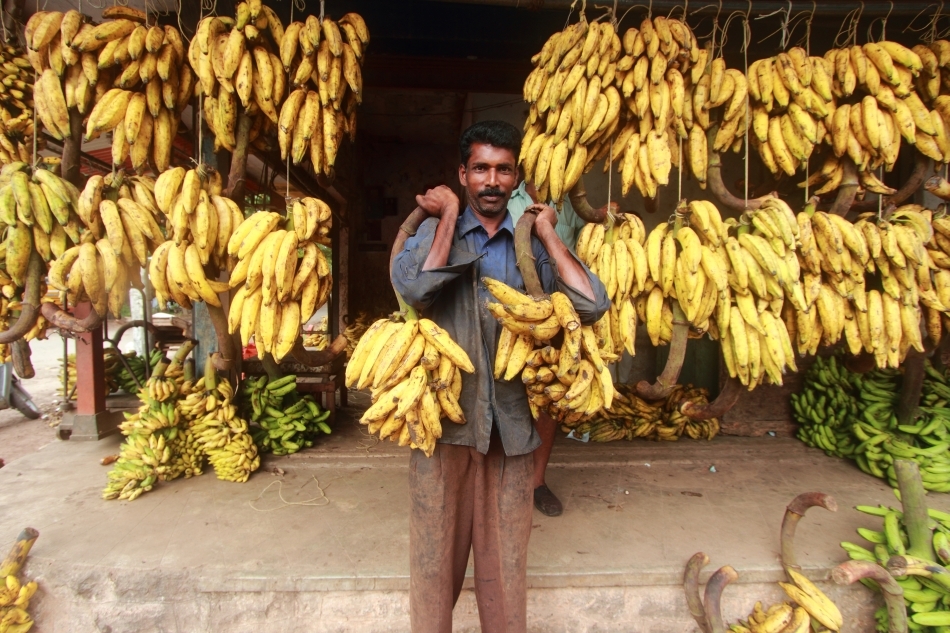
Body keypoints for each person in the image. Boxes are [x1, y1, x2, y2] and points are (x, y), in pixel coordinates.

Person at [391, 120, 609, 633]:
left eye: (503, 170)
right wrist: (444, 217)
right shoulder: (429, 234)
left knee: (507, 571)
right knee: (431, 568)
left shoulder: (528, 242)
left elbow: (593, 304)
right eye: (482, 169)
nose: (492, 181)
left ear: (516, 178)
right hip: (442, 428)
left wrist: (549, 231)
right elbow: (418, 292)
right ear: (463, 173)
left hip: (510, 431)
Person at [507, 180, 587, 517]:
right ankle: (504, 481)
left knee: (548, 400)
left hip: (560, 310)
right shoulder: (506, 196)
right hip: (512, 306)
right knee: (508, 390)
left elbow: (581, 249)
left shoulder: (571, 201)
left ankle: (537, 481)